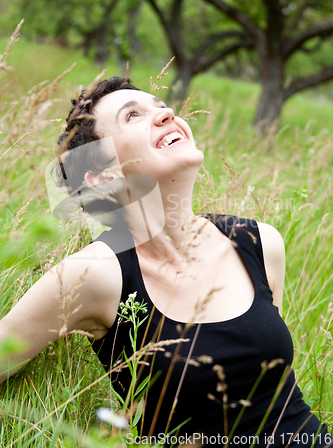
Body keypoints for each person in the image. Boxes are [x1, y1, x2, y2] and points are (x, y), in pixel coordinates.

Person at [0, 76, 331, 447]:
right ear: (101, 176)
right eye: (132, 116)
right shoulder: (96, 275)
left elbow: (276, 386)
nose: (167, 113)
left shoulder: (259, 242)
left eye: (161, 106)